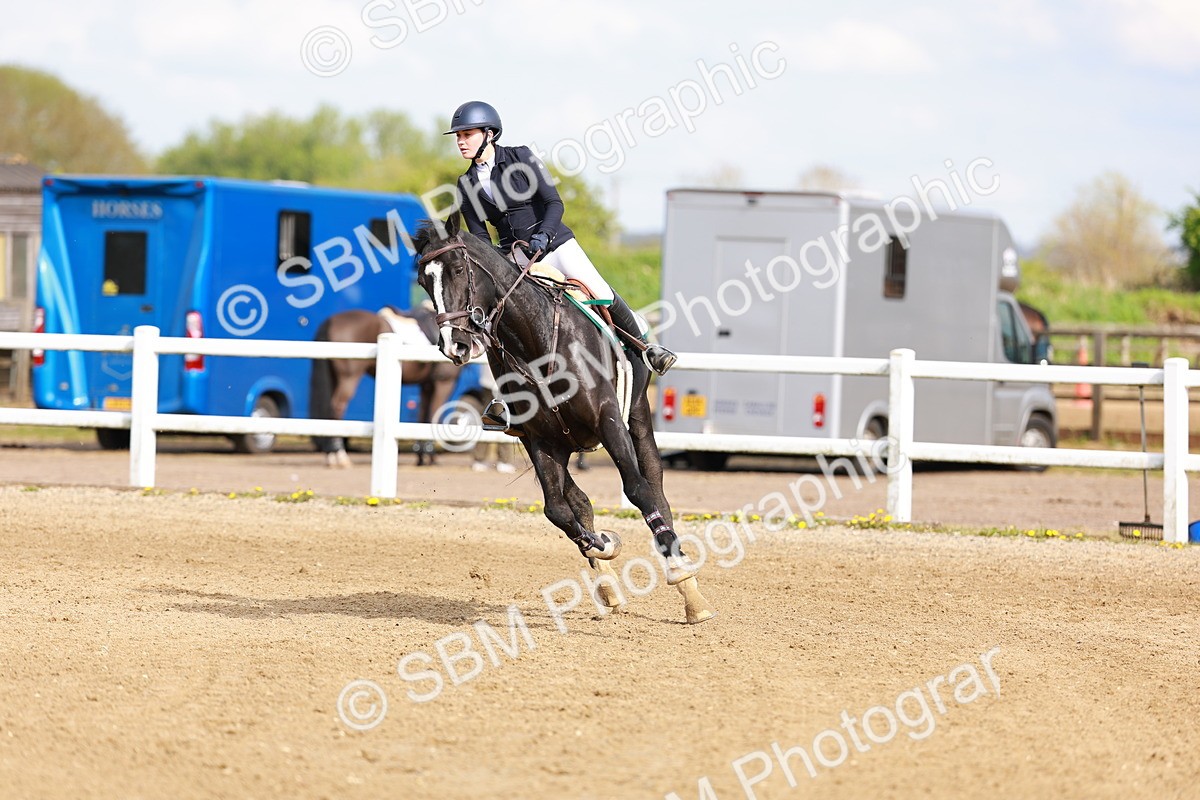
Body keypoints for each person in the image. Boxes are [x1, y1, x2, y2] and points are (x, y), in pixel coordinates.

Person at [443, 100, 676, 430]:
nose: (461, 141)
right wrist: (498, 262)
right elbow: (480, 237)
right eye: (458, 136)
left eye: (467, 134)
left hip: (555, 244)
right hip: (514, 257)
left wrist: (544, 235)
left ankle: (647, 348)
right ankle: (506, 396)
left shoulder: (520, 157)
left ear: (489, 134)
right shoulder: (465, 184)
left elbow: (554, 202)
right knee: (500, 318)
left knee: (599, 292)